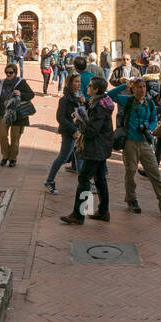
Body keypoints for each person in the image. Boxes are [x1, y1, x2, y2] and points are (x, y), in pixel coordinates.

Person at [108, 78, 161, 217]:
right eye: (139, 87)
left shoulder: (150, 104)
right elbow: (109, 95)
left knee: (155, 172)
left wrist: (150, 129)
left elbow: (154, 120)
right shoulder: (127, 100)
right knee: (130, 173)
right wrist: (124, 85)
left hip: (145, 142)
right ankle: (131, 200)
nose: (142, 90)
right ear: (133, 89)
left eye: (144, 87)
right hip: (130, 142)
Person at [59, 76, 115, 225]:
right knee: (99, 178)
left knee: (84, 178)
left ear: (96, 89)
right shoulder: (101, 102)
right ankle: (103, 211)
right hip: (101, 146)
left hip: (96, 147)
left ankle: (79, 214)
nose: (87, 87)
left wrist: (79, 121)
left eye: (90, 86)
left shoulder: (99, 106)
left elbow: (91, 130)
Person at [43, 73, 82, 194]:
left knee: (81, 157)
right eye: (76, 81)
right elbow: (60, 118)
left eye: (79, 81)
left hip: (79, 131)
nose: (79, 84)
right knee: (63, 157)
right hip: (69, 132)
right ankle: (49, 181)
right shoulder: (65, 99)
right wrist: (73, 130)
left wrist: (83, 102)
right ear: (69, 83)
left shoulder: (79, 96)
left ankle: (86, 182)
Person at [0, 62, 35, 166]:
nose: (8, 74)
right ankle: (5, 156)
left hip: (18, 116)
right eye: (7, 72)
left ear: (15, 73)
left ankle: (13, 158)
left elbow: (31, 94)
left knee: (15, 137)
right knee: (2, 135)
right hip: (3, 114)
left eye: (11, 72)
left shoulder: (21, 83)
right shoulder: (1, 83)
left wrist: (21, 94)